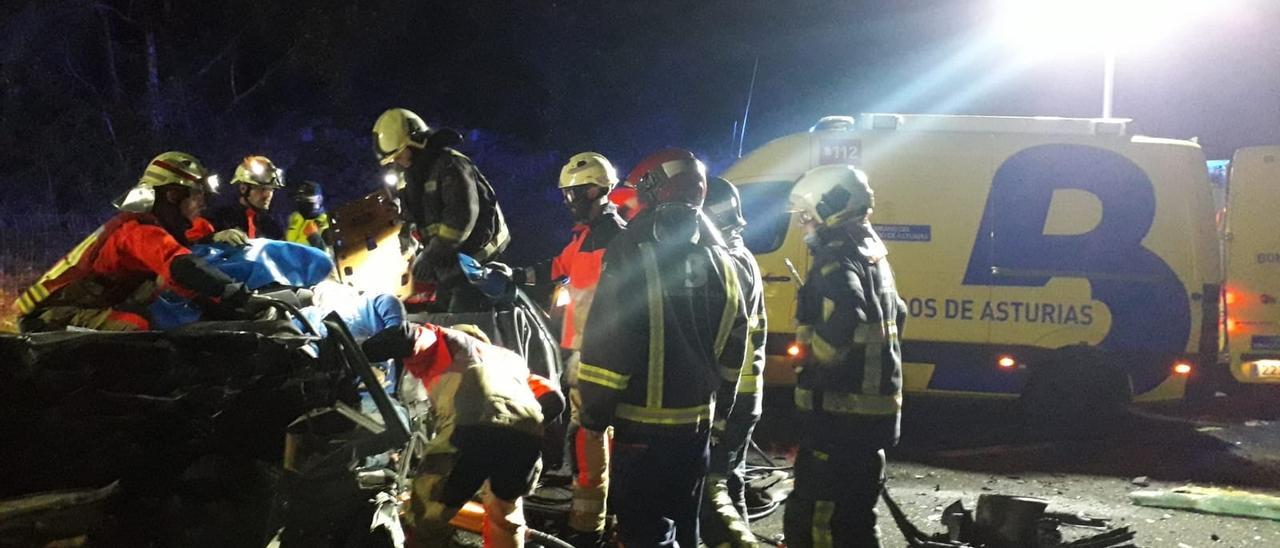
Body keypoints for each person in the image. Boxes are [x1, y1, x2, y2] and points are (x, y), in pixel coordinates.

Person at [578, 148, 749, 547]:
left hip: (642, 431)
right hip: (696, 431)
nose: (635, 200)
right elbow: (733, 340)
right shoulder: (721, 255)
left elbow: (611, 339)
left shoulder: (631, 248)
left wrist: (594, 412)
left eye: (641, 190)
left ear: (657, 188)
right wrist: (721, 409)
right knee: (687, 527)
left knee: (643, 530)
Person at [781, 165, 907, 548]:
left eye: (808, 215)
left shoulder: (836, 260)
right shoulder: (872, 252)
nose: (805, 225)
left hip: (837, 422)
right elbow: (898, 313)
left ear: (829, 206)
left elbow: (843, 326)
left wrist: (808, 353)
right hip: (872, 419)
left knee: (818, 522)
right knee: (855, 523)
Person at [361, 322, 563, 548]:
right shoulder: (509, 361)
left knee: (426, 517)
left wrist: (358, 355)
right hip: (526, 436)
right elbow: (555, 400)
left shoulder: (445, 340)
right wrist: (515, 426)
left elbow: (405, 334)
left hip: (470, 431)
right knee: (506, 515)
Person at [14, 152, 267, 332]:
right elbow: (181, 266)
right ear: (172, 196)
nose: (203, 203)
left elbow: (179, 280)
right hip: (49, 316)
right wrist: (234, 293)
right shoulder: (138, 231)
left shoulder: (155, 225)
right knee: (138, 327)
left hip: (90, 302)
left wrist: (229, 307)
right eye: (197, 195)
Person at [514, 152, 626, 546]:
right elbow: (555, 267)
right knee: (586, 438)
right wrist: (512, 274)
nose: (575, 200)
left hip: (602, 354)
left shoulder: (618, 237)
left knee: (591, 438)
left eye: (583, 191)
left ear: (604, 190)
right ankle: (593, 519)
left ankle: (590, 527)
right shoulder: (583, 238)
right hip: (580, 352)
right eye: (569, 194)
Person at [372, 108, 510, 312]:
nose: (397, 162)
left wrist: (430, 255)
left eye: (399, 155)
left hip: (478, 259)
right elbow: (414, 217)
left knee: (462, 320)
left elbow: (460, 219)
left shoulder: (450, 165)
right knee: (439, 317)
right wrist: (406, 236)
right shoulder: (415, 175)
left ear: (416, 141)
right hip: (453, 263)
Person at [699, 176, 767, 548]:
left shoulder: (729, 262)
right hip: (744, 392)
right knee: (729, 481)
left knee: (714, 493)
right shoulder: (741, 255)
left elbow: (726, 337)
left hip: (733, 393)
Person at [209, 155, 286, 240]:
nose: (267, 195)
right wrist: (214, 238)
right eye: (262, 189)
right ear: (243, 188)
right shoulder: (219, 217)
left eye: (271, 190)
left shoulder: (272, 227)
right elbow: (195, 245)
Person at [285, 180, 331, 250]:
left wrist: (314, 237)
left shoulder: (327, 223)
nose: (303, 201)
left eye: (308, 198)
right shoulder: (294, 217)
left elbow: (330, 257)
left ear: (319, 199)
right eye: (300, 198)